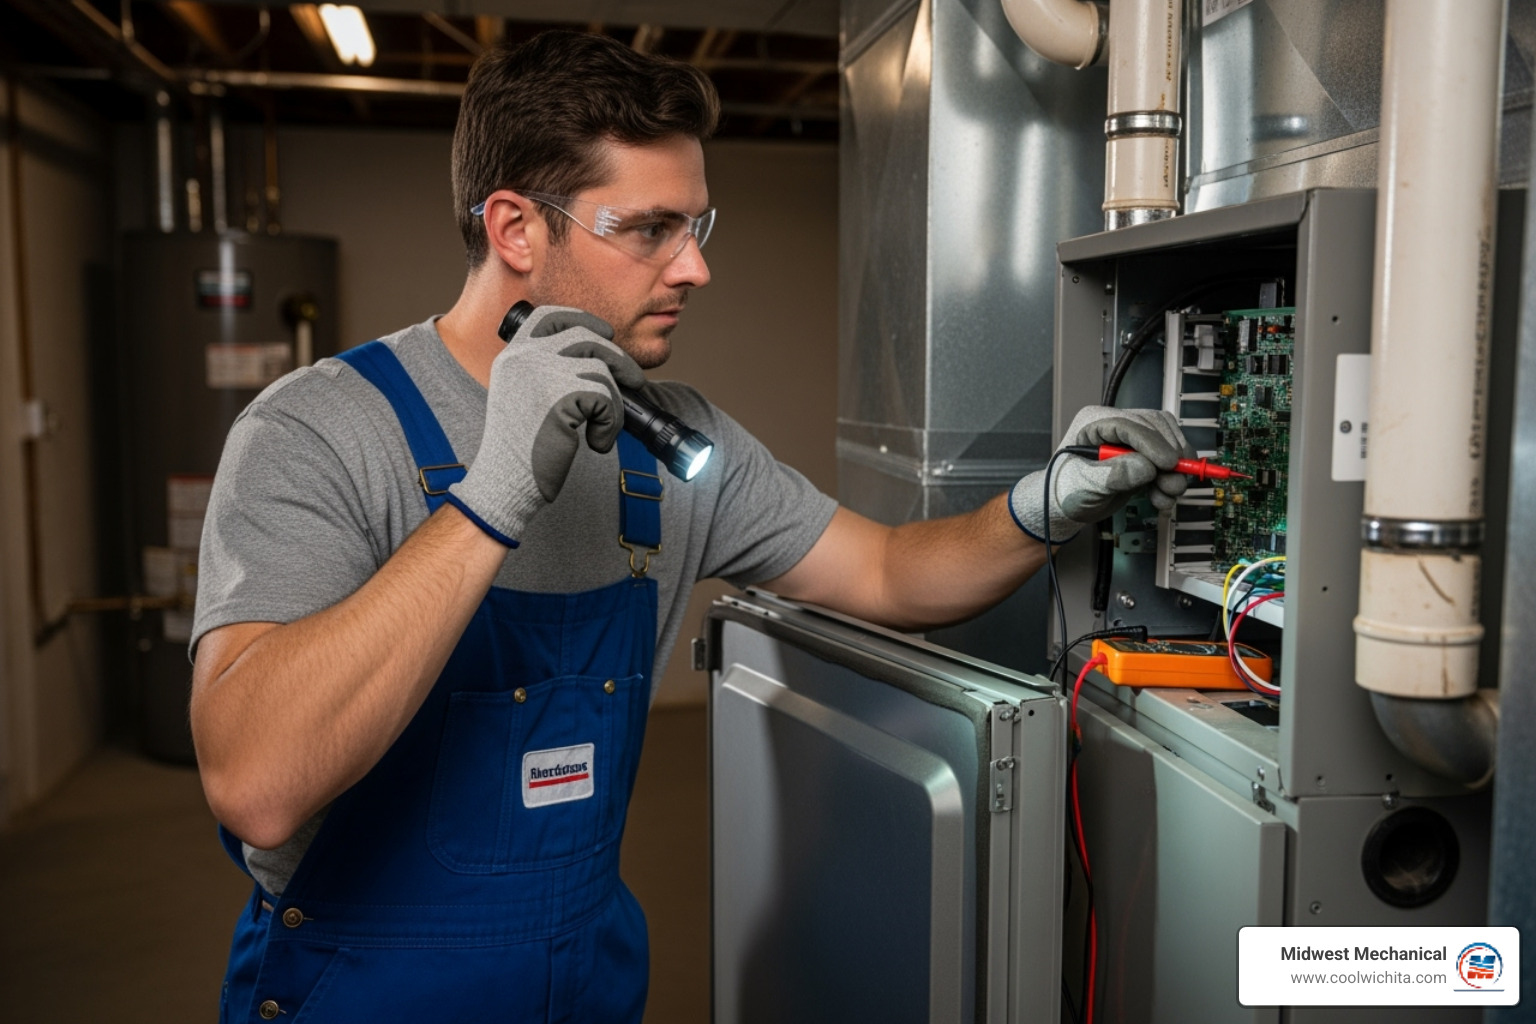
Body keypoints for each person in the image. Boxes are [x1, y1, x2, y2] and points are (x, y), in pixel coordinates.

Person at [190, 29, 1192, 1024]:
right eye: (649, 229)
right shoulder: (318, 429)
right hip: (361, 995)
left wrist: (1038, 504)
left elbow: (892, 573)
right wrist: (493, 492)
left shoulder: (672, 448)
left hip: (584, 985)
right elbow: (257, 781)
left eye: (697, 228)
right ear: (515, 229)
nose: (693, 270)